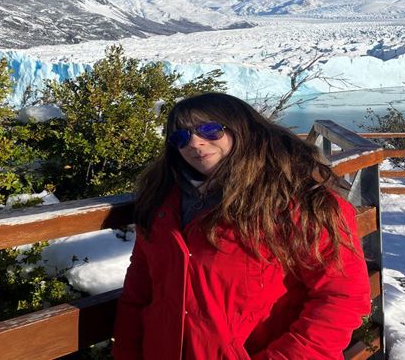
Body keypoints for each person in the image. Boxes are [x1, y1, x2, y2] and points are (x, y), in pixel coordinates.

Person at [112, 93, 372, 359]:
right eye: (181, 137)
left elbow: (342, 298)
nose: (195, 143)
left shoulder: (298, 201)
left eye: (209, 130)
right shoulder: (161, 203)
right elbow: (138, 294)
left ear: (242, 128)